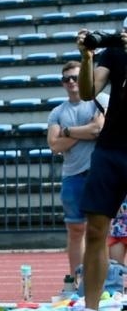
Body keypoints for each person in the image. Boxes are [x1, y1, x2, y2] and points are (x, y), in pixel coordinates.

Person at [63, 24, 127, 311]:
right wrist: (87, 57)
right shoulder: (116, 53)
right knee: (96, 228)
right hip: (112, 148)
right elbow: (89, 92)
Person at [47, 60, 108, 291]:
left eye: (75, 77)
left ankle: (106, 279)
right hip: (72, 175)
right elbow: (54, 145)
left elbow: (99, 129)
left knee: (102, 229)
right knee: (75, 230)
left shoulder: (100, 100)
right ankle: (76, 279)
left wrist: (68, 132)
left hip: (100, 174)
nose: (71, 82)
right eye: (66, 79)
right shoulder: (57, 112)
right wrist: (84, 132)